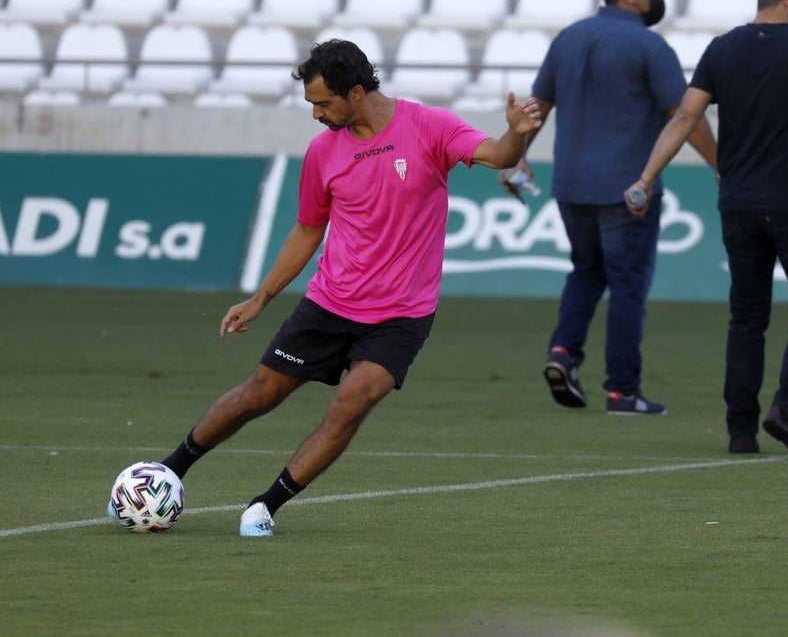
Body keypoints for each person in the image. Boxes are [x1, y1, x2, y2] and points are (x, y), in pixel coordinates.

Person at [148, 39, 541, 535]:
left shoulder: (428, 126)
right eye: (311, 104)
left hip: (401, 314)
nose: (315, 114)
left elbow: (498, 153)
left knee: (350, 405)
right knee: (257, 396)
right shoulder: (322, 152)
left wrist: (517, 136)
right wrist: (261, 297)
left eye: (322, 103)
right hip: (330, 303)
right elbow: (309, 228)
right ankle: (169, 471)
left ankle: (264, 507)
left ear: (356, 92)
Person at [625, 0, 788, 457]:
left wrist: (646, 177)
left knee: (747, 317)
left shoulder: (722, 49)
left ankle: (740, 429)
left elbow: (686, 117)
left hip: (739, 203)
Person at [501, 0, 717, 416]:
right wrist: (721, 164)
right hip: (628, 189)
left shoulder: (569, 38)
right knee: (627, 287)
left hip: (572, 184)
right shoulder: (648, 46)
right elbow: (684, 116)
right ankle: (621, 390)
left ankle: (563, 352)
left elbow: (537, 105)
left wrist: (516, 156)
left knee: (585, 271)